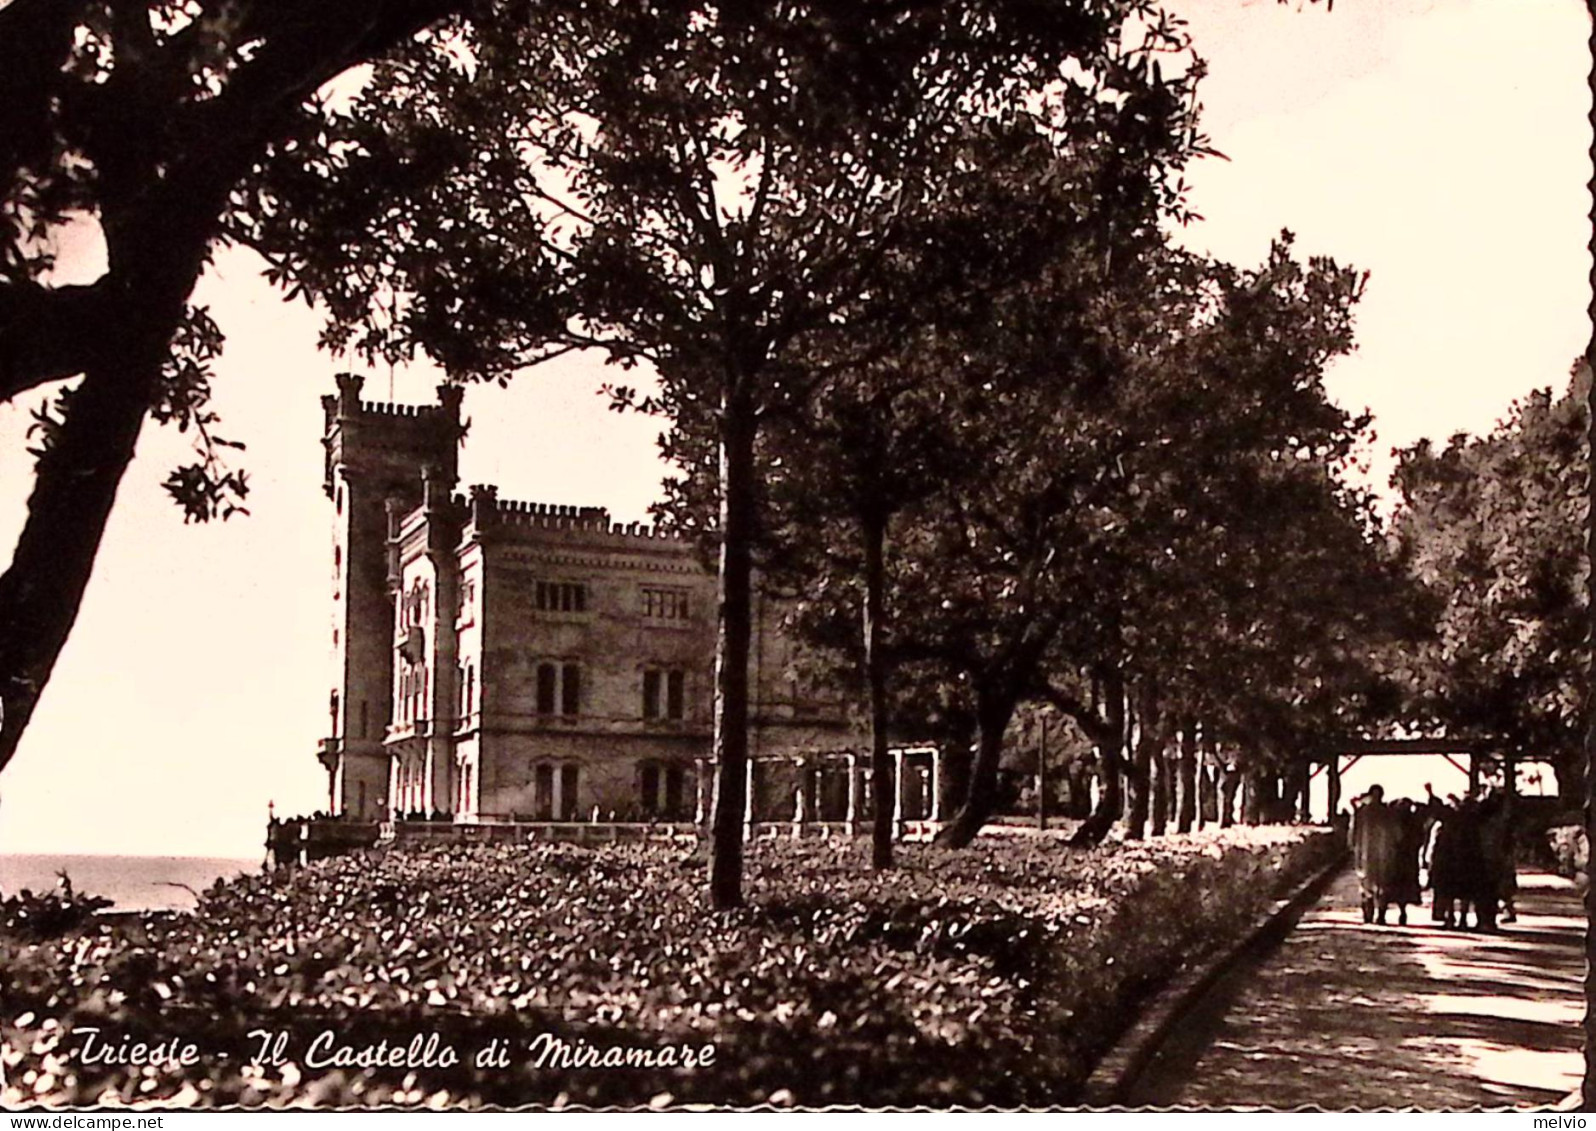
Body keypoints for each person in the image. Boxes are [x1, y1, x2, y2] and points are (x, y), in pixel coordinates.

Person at [1352, 785, 1400, 924]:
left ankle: (1368, 913)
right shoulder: (1389, 813)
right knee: (1382, 885)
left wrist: (1354, 848)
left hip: (1366, 853)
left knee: (1366, 884)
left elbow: (1353, 833)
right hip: (1384, 853)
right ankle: (1380, 914)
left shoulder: (1362, 812)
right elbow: (1397, 834)